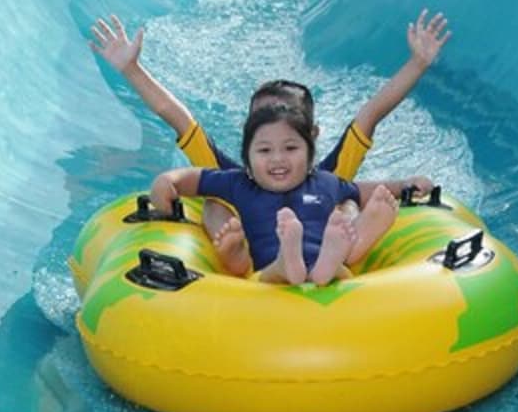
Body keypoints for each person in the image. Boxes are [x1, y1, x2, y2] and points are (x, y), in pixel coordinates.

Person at [89, 8, 451, 274]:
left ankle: (345, 247)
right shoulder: (232, 177)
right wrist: (131, 70)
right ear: (250, 141)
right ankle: (236, 256)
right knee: (215, 203)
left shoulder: (329, 176)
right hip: (257, 269)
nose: (277, 152)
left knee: (345, 204)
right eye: (263, 138)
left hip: (326, 253)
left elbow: (371, 115)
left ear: (310, 136)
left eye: (289, 141)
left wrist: (418, 64)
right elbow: (176, 115)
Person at [149, 103, 400, 285]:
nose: (278, 158)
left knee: (340, 256)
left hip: (326, 263)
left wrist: (404, 186)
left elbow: (359, 191)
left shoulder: (326, 182)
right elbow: (196, 179)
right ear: (247, 159)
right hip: (269, 275)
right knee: (274, 272)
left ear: (310, 155)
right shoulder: (239, 183)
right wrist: (168, 181)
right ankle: (295, 263)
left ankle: (332, 261)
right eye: (264, 150)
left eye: (290, 148)